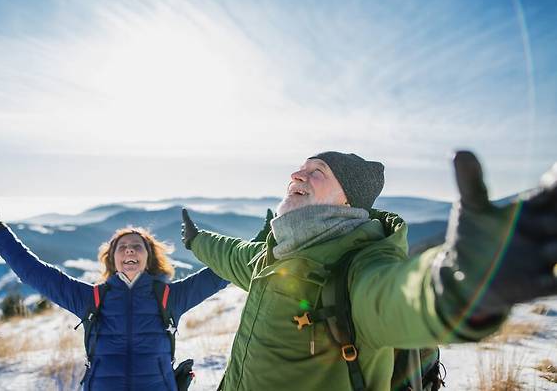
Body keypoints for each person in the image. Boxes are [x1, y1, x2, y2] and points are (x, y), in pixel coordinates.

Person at [181, 150, 557, 391]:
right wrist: (197, 240)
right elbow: (231, 254)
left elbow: (397, 295)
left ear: (348, 199)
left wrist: (464, 282)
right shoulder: (274, 256)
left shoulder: (359, 266)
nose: (297, 174)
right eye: (300, 167)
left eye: (317, 171)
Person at [0, 190, 228, 391]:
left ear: (149, 258)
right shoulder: (90, 299)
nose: (129, 249)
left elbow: (223, 272)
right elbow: (32, 271)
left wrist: (263, 245)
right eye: (122, 247)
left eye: (137, 246)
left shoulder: (171, 297)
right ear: (112, 259)